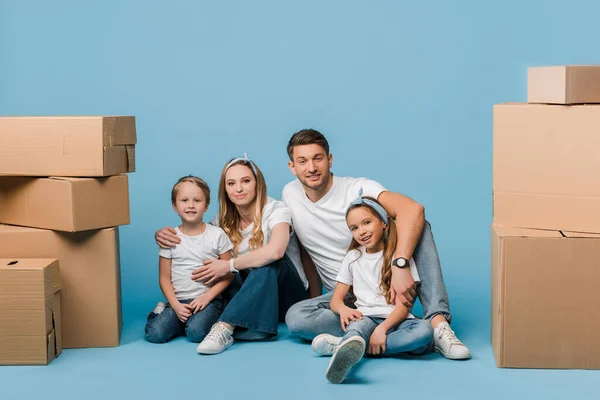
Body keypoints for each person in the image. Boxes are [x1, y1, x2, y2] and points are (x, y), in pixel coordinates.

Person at [283, 129, 471, 360]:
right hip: (349, 298)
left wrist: (399, 266)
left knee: (420, 226)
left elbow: (413, 211)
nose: (311, 168)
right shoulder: (290, 194)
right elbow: (305, 250)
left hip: (385, 285)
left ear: (330, 160)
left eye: (318, 158)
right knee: (296, 317)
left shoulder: (358, 189)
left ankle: (438, 324)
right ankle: (375, 341)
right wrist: (317, 298)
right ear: (292, 167)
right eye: (302, 161)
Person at [155, 155, 308, 355]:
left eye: (246, 181)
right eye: (231, 183)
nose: (239, 188)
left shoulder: (276, 210)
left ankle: (225, 327)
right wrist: (162, 234)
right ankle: (190, 314)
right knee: (224, 269)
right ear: (225, 189)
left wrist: (228, 265)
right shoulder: (222, 221)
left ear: (257, 183)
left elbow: (276, 250)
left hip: (285, 295)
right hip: (251, 298)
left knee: (268, 262)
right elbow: (195, 238)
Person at [312, 194, 433, 383]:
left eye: (367, 222)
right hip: (364, 317)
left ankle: (348, 347)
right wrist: (343, 310)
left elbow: (403, 308)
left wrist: (382, 329)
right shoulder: (353, 257)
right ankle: (353, 344)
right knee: (356, 329)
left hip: (395, 322)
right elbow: (336, 299)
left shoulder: (399, 259)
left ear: (384, 222)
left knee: (424, 331)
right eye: (354, 228)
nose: (361, 231)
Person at [145, 176, 234, 345]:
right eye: (184, 200)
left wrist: (206, 298)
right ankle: (161, 312)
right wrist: (176, 306)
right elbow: (164, 277)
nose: (191, 205)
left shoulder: (217, 235)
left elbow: (229, 274)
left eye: (197, 200)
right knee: (155, 334)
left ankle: (187, 322)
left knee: (196, 333)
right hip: (178, 301)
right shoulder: (170, 238)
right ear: (174, 206)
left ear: (206, 205)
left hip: (207, 301)